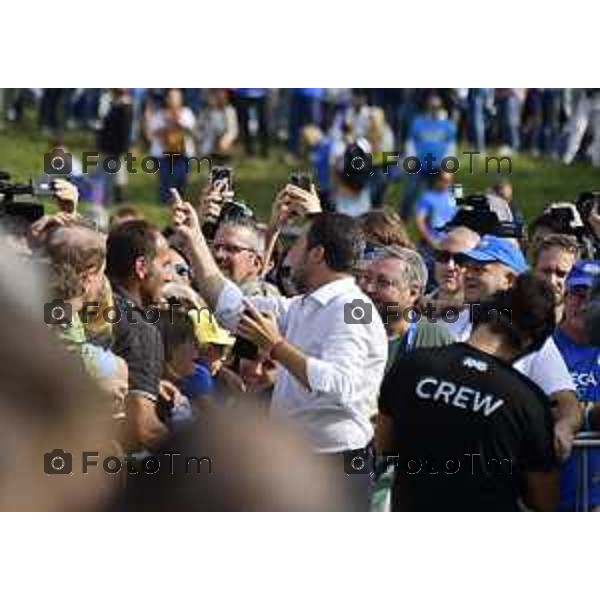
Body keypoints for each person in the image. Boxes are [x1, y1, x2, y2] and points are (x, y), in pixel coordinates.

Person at [171, 195, 387, 508]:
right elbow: (232, 308)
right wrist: (194, 242)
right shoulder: (303, 305)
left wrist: (277, 347)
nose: (291, 256)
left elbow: (341, 386)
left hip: (334, 468)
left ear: (317, 254)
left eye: (298, 244)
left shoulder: (354, 309)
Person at [377, 273, 559, 511]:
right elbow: (543, 501)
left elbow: (384, 445)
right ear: (530, 343)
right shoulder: (529, 402)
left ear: (483, 314)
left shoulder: (411, 365)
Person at [451, 235, 581, 462]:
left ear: (509, 280)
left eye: (480, 269)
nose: (468, 275)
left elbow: (566, 401)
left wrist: (564, 428)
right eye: (467, 267)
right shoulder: (445, 323)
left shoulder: (532, 335)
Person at [105, 219, 176, 449]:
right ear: (141, 267)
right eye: (165, 265)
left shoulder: (81, 307)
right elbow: (142, 427)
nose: (170, 276)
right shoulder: (140, 328)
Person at [357, 246, 454, 372]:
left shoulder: (435, 339)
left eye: (383, 282)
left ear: (413, 292)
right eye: (366, 278)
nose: (369, 288)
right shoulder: (343, 325)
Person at [553, 261, 600, 510]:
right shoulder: (540, 347)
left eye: (593, 297)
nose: (584, 305)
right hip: (550, 500)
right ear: (565, 296)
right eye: (578, 295)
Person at [402, 94, 457, 219]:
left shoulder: (448, 125)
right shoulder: (418, 122)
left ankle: (451, 214)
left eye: (436, 107)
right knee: (410, 191)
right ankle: (404, 216)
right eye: (431, 106)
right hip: (419, 165)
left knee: (451, 190)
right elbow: (410, 143)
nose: (433, 109)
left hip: (439, 166)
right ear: (427, 107)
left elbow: (451, 148)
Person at [148, 88, 196, 202]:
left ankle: (179, 203)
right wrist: (166, 123)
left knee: (180, 179)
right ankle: (164, 204)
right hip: (163, 155)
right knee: (165, 181)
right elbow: (152, 132)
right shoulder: (159, 114)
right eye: (171, 97)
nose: (173, 100)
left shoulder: (186, 113)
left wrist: (178, 121)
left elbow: (192, 130)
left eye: (176, 97)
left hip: (182, 154)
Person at [212, 218, 280, 297]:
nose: (218, 255)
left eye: (231, 249)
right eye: (216, 248)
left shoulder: (262, 298)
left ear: (256, 262)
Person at [426, 226, 480, 315]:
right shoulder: (414, 308)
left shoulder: (479, 318)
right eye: (443, 256)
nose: (450, 266)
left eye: (460, 259)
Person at [96, 88, 133, 204]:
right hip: (109, 148)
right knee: (113, 177)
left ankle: (114, 200)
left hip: (116, 150)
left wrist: (123, 150)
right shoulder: (111, 105)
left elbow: (124, 132)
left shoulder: (125, 108)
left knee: (115, 177)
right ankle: (110, 199)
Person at [531, 234, 580, 322]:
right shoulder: (511, 318)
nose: (552, 281)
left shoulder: (585, 326)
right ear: (533, 271)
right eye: (545, 272)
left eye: (561, 274)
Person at [414, 171, 458, 250]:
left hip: (451, 244)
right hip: (431, 245)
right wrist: (432, 242)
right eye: (444, 180)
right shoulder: (427, 197)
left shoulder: (454, 195)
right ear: (437, 180)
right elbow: (420, 223)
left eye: (449, 181)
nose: (447, 184)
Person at [196, 88, 239, 158]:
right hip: (207, 142)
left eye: (223, 94)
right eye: (217, 94)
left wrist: (225, 141)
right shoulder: (206, 111)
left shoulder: (230, 111)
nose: (220, 96)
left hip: (222, 141)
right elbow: (198, 129)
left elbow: (233, 131)